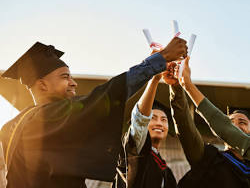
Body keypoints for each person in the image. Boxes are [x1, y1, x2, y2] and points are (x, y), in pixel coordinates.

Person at [0, 38, 187, 188]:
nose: (73, 83)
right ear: (42, 85)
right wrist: (161, 58)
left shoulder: (11, 126)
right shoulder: (47, 116)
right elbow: (107, 94)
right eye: (65, 77)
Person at [165, 56, 250, 188]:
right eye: (230, 121)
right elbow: (185, 128)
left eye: (242, 122)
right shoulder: (209, 158)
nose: (234, 126)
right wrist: (176, 87)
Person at [114, 64, 177, 188]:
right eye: (153, 118)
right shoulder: (135, 152)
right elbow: (140, 121)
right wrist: (154, 80)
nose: (159, 123)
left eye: (164, 120)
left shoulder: (167, 171)